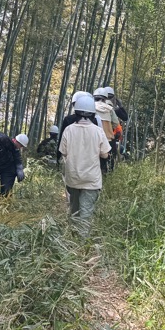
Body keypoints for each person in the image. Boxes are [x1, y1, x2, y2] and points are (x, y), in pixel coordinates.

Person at [58, 94, 110, 235]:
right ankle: (81, 243)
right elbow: (105, 154)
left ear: (76, 112)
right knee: (86, 212)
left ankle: (72, 237)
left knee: (74, 209)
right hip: (91, 179)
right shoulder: (98, 131)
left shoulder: (69, 130)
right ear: (93, 113)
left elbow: (63, 152)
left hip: (73, 177)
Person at [94, 88, 120, 173]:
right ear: (105, 98)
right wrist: (109, 127)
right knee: (110, 157)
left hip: (93, 137)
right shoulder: (109, 109)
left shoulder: (91, 106)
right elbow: (116, 123)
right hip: (107, 138)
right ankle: (108, 172)